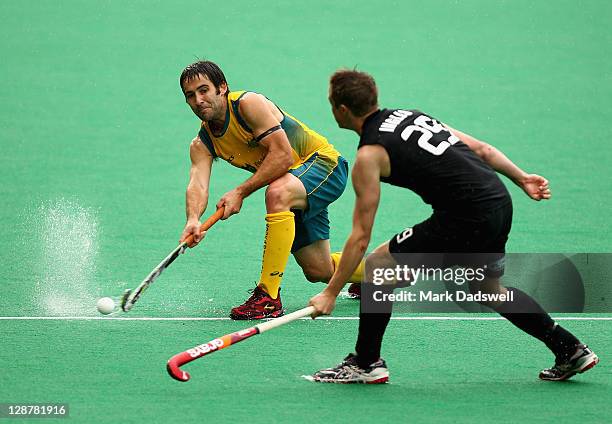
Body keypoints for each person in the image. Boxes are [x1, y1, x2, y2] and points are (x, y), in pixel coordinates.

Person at [306, 69, 599, 383]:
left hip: (466, 215)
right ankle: (569, 349)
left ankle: (365, 363)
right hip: (498, 201)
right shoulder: (410, 116)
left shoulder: (369, 155)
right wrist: (521, 177)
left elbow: (361, 236)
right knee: (488, 289)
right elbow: (482, 149)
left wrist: (330, 292)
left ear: (342, 110)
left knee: (379, 265)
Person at [178, 60, 362, 320]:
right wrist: (193, 220)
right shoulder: (201, 143)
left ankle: (267, 297)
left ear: (222, 87)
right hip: (292, 185)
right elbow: (197, 183)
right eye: (190, 95)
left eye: (204, 90)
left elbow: (284, 156)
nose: (198, 100)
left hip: (324, 166)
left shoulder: (247, 105)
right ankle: (383, 273)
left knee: (276, 193)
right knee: (318, 270)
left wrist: (240, 192)